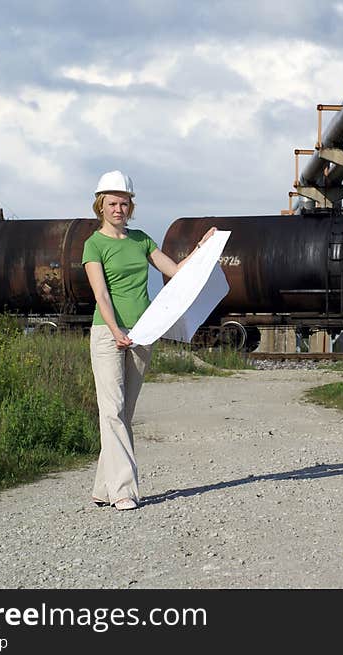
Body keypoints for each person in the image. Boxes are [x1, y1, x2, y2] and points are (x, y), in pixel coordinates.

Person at [82, 170, 215, 511]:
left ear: (131, 206)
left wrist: (202, 248)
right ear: (101, 205)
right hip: (108, 333)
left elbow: (175, 272)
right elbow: (101, 293)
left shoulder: (141, 239)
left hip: (144, 330)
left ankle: (102, 488)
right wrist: (115, 331)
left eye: (124, 203)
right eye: (112, 203)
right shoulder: (94, 244)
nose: (118, 209)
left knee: (124, 413)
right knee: (111, 409)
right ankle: (124, 490)